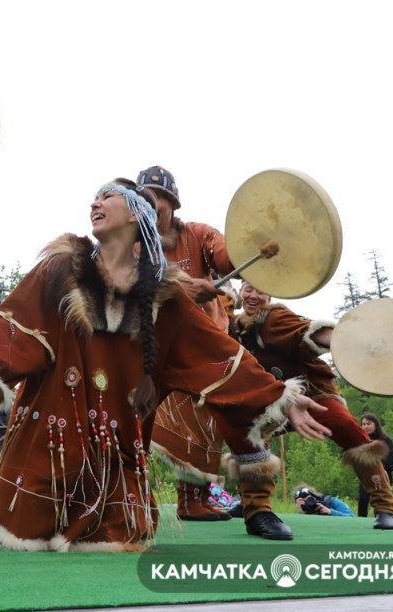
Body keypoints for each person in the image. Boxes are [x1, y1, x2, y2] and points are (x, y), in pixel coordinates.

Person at [0, 178, 330, 551]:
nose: (95, 203)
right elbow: (18, 321)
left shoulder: (166, 298)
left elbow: (217, 354)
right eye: (94, 198)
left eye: (107, 197)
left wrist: (279, 397)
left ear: (135, 216)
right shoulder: (60, 268)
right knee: (20, 515)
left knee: (119, 529)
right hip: (53, 429)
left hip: (117, 438)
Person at [232, 281, 393, 529]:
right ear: (240, 291)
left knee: (348, 428)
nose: (254, 295)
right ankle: (253, 504)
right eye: (248, 289)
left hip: (313, 393)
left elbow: (308, 331)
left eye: (262, 289)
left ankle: (385, 507)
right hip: (272, 400)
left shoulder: (276, 317)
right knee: (244, 435)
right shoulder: (232, 328)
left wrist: (352, 341)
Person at [137, 166, 240, 522]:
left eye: (155, 197)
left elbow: (228, 257)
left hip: (203, 343)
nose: (149, 205)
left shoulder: (197, 235)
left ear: (171, 203)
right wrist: (183, 289)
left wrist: (249, 250)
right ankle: (134, 496)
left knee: (207, 423)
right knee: (143, 422)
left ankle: (195, 499)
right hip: (152, 350)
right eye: (142, 199)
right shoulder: (132, 244)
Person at [358, 413, 393, 517]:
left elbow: (390, 459)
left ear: (376, 424)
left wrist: (380, 468)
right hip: (366, 475)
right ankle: (361, 520)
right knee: (363, 499)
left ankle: (387, 517)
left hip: (383, 474)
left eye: (368, 424)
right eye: (363, 424)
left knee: (383, 499)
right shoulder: (362, 439)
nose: (365, 426)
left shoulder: (385, 439)